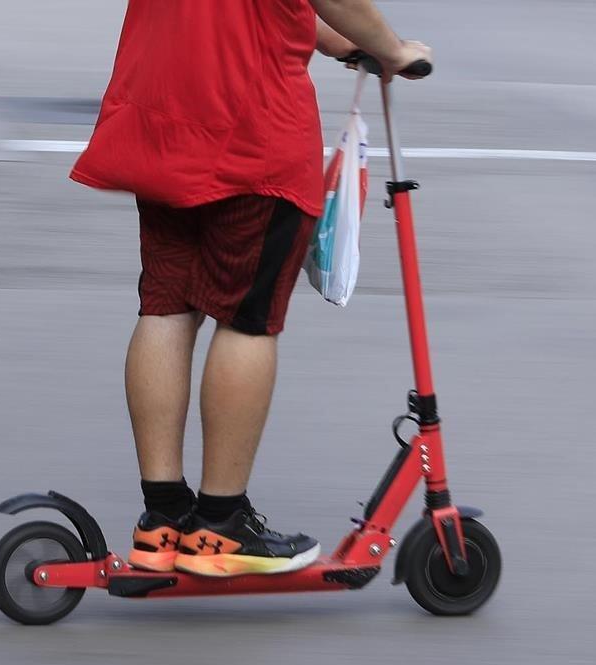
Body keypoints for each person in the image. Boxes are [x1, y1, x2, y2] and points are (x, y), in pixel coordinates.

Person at [70, 0, 432, 577]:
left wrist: (333, 40)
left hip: (163, 117)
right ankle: (220, 526)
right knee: (247, 319)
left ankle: (162, 517)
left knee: (167, 305)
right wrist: (391, 48)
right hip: (248, 129)